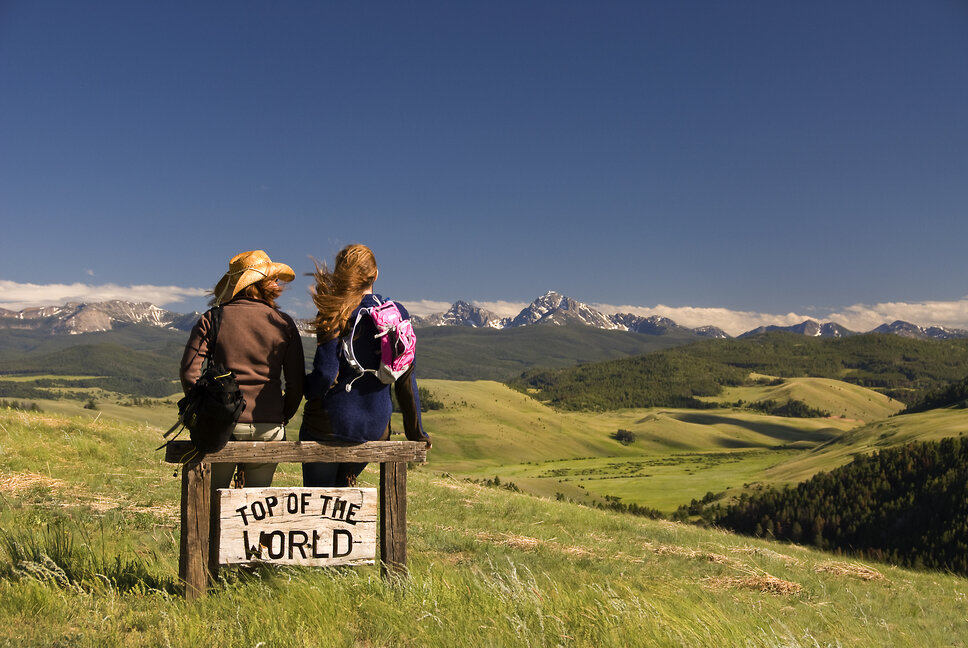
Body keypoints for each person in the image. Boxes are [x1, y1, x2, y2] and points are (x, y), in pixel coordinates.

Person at [300, 244, 431, 487]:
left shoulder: (334, 311)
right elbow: (406, 379)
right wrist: (417, 433)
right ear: (376, 274)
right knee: (344, 495)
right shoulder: (397, 315)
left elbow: (326, 374)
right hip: (375, 429)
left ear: (340, 274)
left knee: (319, 498)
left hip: (330, 425)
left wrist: (306, 390)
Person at [179, 249, 305, 494]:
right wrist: (281, 415)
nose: (277, 283)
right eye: (273, 278)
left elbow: (188, 373)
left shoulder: (212, 318)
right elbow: (296, 384)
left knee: (213, 501)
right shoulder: (284, 323)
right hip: (268, 425)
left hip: (222, 424)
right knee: (255, 503)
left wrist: (204, 411)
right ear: (264, 284)